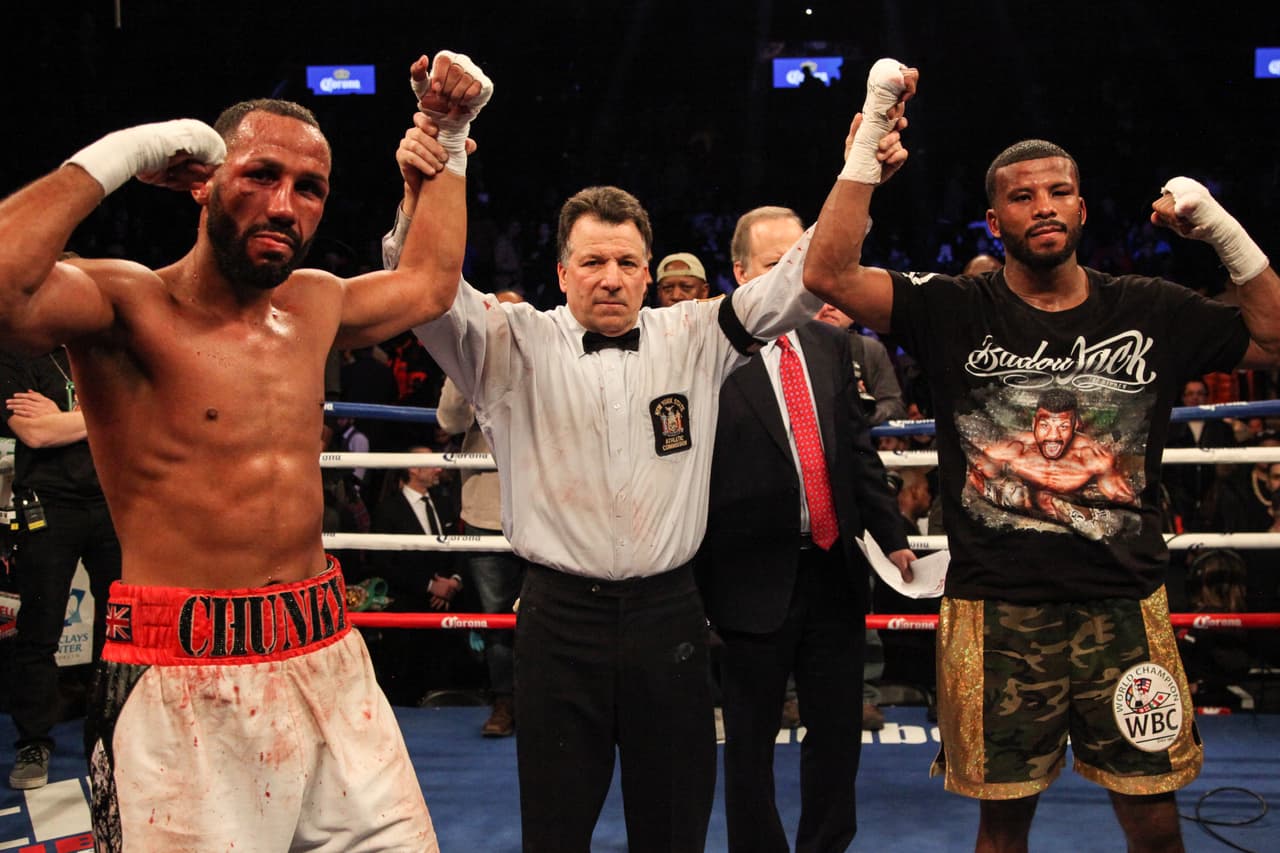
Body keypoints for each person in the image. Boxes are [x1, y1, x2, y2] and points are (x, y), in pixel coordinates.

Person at [0, 51, 492, 850]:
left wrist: (451, 135)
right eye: (260, 175)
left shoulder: (315, 301)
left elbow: (430, 284)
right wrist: (125, 152)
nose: (284, 205)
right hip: (176, 678)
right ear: (200, 180)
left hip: (328, 653)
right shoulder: (127, 304)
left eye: (309, 189)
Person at [802, 56, 1280, 851]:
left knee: (1156, 822)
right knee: (1003, 824)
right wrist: (872, 133)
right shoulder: (954, 307)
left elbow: (1273, 335)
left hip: (1126, 606)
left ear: (1083, 208)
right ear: (995, 222)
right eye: (1021, 197)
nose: (1042, 206)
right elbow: (828, 272)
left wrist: (1220, 229)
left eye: (1057, 191)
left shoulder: (1149, 307)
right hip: (998, 612)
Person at [382, 144, 870, 849]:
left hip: (667, 617)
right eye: (591, 262)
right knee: (555, 831)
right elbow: (422, 285)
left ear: (648, 271)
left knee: (673, 830)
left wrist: (860, 158)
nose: (610, 279)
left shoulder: (699, 332)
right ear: (560, 271)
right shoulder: (507, 342)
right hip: (557, 620)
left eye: (626, 263)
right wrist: (432, 174)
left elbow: (804, 276)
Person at [695, 205, 913, 852]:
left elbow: (857, 454)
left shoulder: (832, 342)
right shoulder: (706, 350)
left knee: (837, 736)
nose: (797, 277)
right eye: (775, 265)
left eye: (803, 260)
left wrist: (892, 535)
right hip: (747, 575)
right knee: (750, 743)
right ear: (738, 273)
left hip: (834, 574)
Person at [0, 349, 121, 790]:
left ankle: (114, 732)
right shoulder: (16, 355)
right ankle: (33, 740)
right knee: (39, 627)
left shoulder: (104, 353)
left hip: (112, 503)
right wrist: (100, 414)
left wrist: (66, 420)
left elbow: (136, 414)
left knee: (120, 627)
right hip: (47, 508)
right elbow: (34, 433)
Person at [435, 309, 526, 736]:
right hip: (486, 512)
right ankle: (504, 702)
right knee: (495, 618)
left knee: (551, 613)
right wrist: (464, 370)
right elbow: (449, 422)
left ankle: (551, 702)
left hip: (544, 509)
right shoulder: (466, 364)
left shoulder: (542, 359)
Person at [1163, 377, 1237, 530]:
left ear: (1207, 397)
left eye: (1200, 393)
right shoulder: (1169, 428)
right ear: (1183, 397)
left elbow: (1230, 466)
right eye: (1190, 394)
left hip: (1214, 500)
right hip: (1178, 499)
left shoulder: (1221, 428)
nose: (1195, 398)